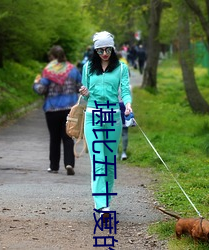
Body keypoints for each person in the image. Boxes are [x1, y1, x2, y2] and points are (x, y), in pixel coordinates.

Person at [79, 31, 132, 218]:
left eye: (107, 49)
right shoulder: (87, 68)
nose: (104, 53)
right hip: (93, 117)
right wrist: (84, 93)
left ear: (113, 48)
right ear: (95, 50)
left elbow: (125, 90)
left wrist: (128, 104)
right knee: (98, 160)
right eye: (100, 50)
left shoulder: (122, 68)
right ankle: (101, 205)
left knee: (110, 162)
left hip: (113, 118)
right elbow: (84, 95)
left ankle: (105, 201)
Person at [33, 45, 82, 175]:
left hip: (52, 109)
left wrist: (36, 83)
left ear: (52, 57)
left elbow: (41, 90)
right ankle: (69, 163)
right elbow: (80, 87)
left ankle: (54, 166)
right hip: (69, 109)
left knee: (54, 138)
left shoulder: (48, 71)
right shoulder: (73, 70)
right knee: (68, 137)